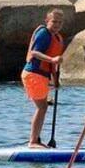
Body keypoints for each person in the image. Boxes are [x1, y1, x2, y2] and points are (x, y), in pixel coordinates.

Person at [21, 9, 65, 149]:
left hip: (41, 75)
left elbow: (53, 64)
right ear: (47, 21)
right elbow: (34, 52)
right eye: (54, 21)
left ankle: (36, 139)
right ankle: (33, 141)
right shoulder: (43, 33)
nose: (57, 25)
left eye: (60, 22)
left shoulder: (57, 37)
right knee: (42, 107)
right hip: (33, 74)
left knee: (43, 107)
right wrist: (52, 59)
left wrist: (55, 80)